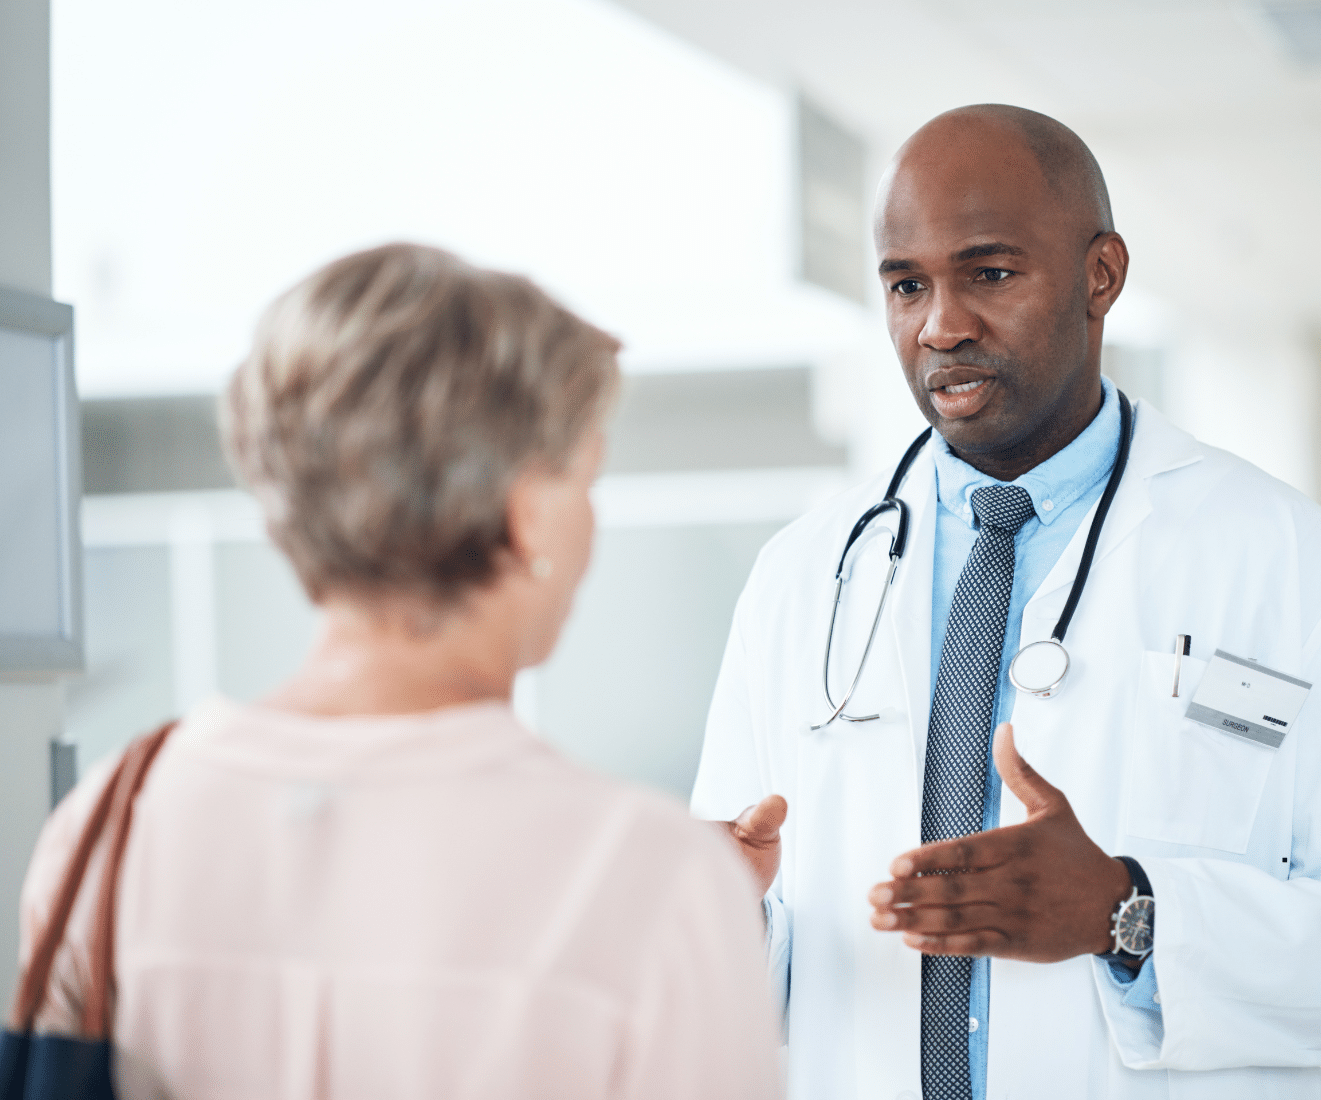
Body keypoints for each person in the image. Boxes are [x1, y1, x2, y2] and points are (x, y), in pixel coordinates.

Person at [693, 105, 1321, 1099]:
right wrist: (722, 921)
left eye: (989, 272)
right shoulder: (803, 575)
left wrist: (1126, 911)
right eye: (906, 284)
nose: (940, 323)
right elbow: (749, 965)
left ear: (1100, 274)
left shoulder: (1291, 562)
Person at [17, 244, 782, 1099]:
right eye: (585, 480)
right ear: (527, 514)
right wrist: (693, 910)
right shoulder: (651, 877)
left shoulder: (109, 825)